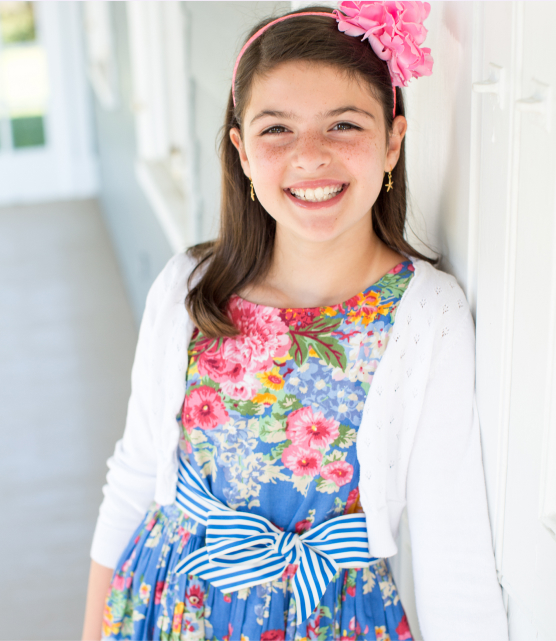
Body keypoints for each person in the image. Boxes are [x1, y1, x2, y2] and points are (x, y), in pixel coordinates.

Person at [82, 4, 509, 640]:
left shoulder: (426, 316)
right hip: (171, 607)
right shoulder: (188, 289)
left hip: (331, 619)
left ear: (394, 141)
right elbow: (135, 476)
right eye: (276, 130)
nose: (309, 157)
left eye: (343, 125)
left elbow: (456, 556)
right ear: (243, 153)